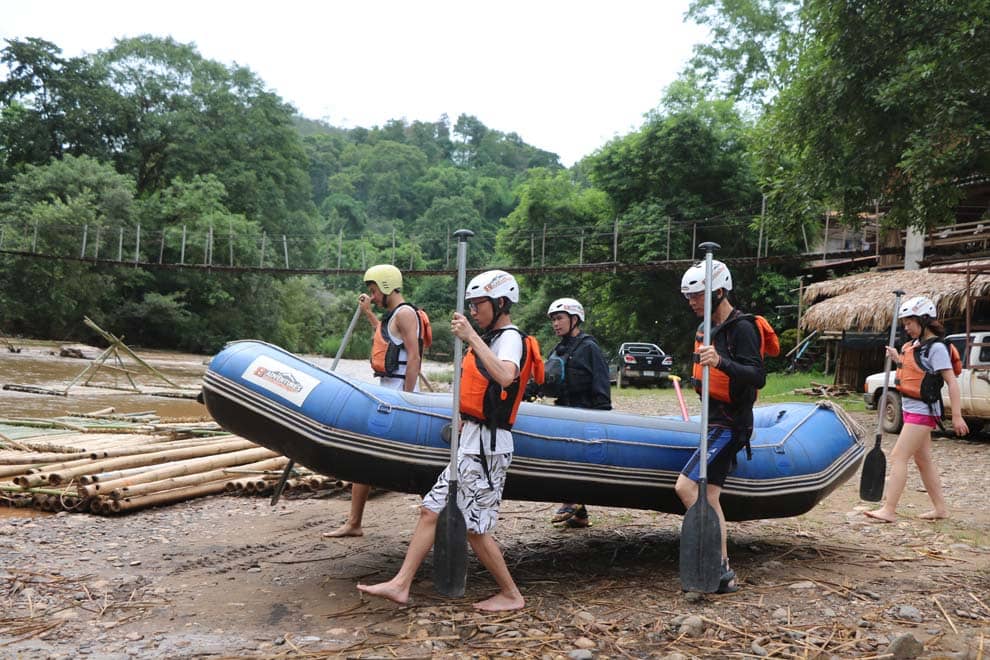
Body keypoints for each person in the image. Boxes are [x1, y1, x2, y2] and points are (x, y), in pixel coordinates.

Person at [358, 270, 541, 611]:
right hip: (471, 440)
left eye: (478, 304)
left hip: (487, 447)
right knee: (431, 510)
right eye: (470, 305)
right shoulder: (492, 337)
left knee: (475, 528)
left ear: (501, 303)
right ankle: (400, 584)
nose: (473, 311)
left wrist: (471, 336)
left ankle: (511, 594)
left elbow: (506, 376)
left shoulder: (510, 339)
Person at [675, 259, 766, 594]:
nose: (692, 302)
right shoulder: (707, 328)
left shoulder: (742, 328)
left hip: (730, 423)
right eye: (689, 296)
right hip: (714, 420)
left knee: (686, 488)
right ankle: (723, 570)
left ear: (719, 291)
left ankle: (713, 559)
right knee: (710, 495)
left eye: (697, 295)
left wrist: (721, 362)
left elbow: (757, 376)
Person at [324, 264, 426, 538]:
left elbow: (414, 357)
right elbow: (386, 338)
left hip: (399, 395)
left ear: (386, 286)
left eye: (374, 290)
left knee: (406, 461)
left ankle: (436, 518)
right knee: (365, 456)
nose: (373, 296)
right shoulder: (394, 315)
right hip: (387, 393)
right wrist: (368, 312)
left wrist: (407, 399)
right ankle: (354, 523)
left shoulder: (405, 314)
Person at [865, 296, 968, 523]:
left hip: (923, 411)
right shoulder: (914, 346)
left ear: (924, 320)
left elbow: (951, 382)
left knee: (898, 456)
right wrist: (898, 359)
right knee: (923, 460)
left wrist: (957, 416)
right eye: (904, 323)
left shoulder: (937, 348)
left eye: (910, 322)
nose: (906, 327)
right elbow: (915, 372)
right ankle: (940, 509)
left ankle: (889, 509)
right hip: (911, 408)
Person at [543, 297, 612, 529]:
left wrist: (602, 417)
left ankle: (571, 500)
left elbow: (602, 383)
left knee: (571, 461)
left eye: (559, 318)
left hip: (585, 413)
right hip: (563, 411)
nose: (555, 323)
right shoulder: (557, 350)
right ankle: (581, 516)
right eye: (553, 320)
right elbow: (546, 379)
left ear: (574, 319)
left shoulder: (589, 347)